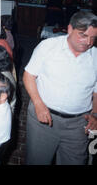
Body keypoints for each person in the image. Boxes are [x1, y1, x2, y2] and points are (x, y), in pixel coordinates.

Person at [23, 11, 97, 165]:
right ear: (70, 29)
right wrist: (38, 104)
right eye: (83, 35)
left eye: (93, 38)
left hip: (78, 125)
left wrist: (95, 114)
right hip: (43, 119)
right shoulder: (48, 46)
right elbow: (28, 76)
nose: (88, 42)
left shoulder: (95, 56)